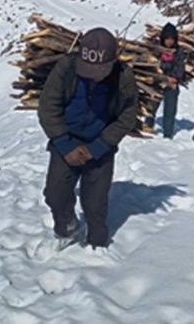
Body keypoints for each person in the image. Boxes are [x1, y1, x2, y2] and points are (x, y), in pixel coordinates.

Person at [38, 27, 139, 249]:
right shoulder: (66, 68)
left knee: (95, 204)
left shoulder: (123, 77)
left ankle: (97, 247)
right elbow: (48, 107)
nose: (94, 75)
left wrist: (100, 146)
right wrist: (65, 145)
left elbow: (128, 115)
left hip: (100, 145)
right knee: (55, 194)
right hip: (66, 140)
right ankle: (66, 227)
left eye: (100, 70)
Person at [143, 23, 185, 139]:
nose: (169, 41)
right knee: (152, 106)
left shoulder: (178, 51)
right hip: (157, 83)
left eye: (172, 39)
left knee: (170, 110)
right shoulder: (157, 50)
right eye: (167, 39)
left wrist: (173, 78)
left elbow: (180, 67)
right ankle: (147, 126)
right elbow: (152, 65)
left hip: (172, 84)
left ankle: (168, 133)